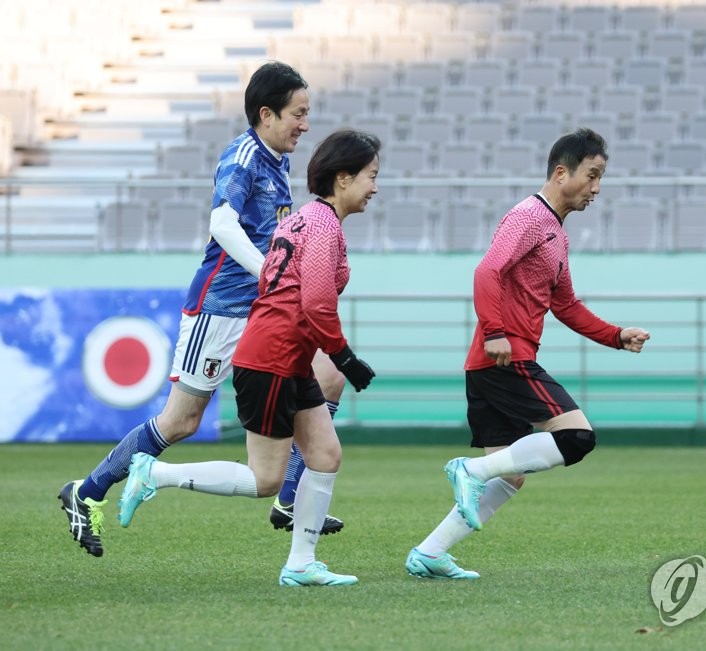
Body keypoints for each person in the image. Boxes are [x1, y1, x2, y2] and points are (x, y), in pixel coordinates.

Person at [58, 61, 346, 558]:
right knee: (181, 422)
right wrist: (270, 272)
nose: (305, 124)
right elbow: (222, 223)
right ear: (266, 114)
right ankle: (85, 492)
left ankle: (290, 497)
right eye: (298, 113)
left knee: (330, 376)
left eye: (307, 113)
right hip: (220, 310)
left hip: (263, 311)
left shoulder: (276, 159)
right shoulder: (242, 157)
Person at [117, 129, 380, 587]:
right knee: (265, 480)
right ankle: (156, 473)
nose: (375, 187)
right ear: (343, 178)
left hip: (285, 356)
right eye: (371, 176)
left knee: (324, 452)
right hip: (273, 359)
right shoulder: (321, 226)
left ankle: (301, 564)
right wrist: (345, 357)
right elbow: (316, 302)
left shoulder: (304, 219)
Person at [405, 128, 651, 580]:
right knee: (578, 438)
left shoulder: (556, 234)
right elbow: (487, 270)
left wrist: (616, 336)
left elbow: (566, 305)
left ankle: (430, 552)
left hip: (489, 362)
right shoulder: (528, 217)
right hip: (505, 356)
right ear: (562, 173)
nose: (597, 189)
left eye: (601, 179)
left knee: (510, 476)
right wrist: (496, 331)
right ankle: (468, 469)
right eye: (592, 176)